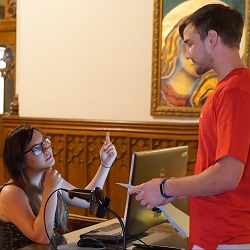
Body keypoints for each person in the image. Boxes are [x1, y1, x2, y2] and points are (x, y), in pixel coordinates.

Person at [129, 3, 250, 250]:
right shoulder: (233, 87)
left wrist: (165, 187)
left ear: (212, 38)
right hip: (221, 232)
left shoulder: (233, 91)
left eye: (190, 42)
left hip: (226, 236)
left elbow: (227, 176)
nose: (186, 53)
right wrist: (176, 191)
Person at [0, 124, 117, 249]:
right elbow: (42, 237)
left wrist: (105, 164)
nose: (46, 149)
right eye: (36, 149)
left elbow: (89, 201)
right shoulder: (11, 193)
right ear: (20, 160)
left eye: (44, 142)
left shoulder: (49, 179)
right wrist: (50, 190)